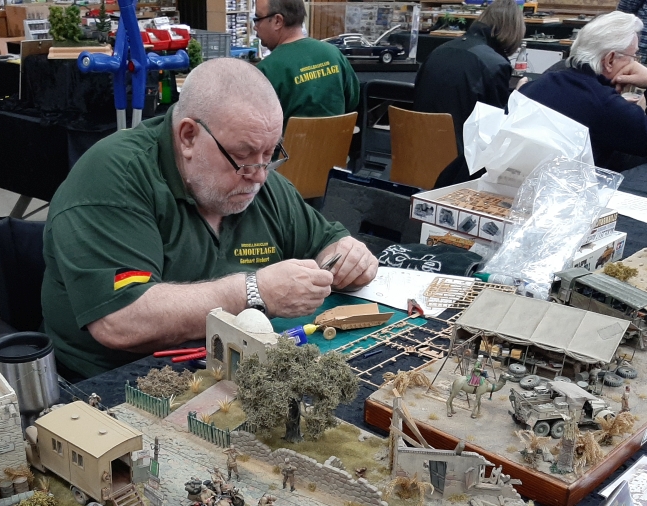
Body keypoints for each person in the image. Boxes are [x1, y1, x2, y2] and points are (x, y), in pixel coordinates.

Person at [40, 57, 378, 379]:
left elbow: (326, 242)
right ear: (188, 136)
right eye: (243, 155)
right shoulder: (113, 177)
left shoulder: (259, 181)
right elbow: (121, 319)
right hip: (117, 381)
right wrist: (254, 292)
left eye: (270, 153)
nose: (260, 175)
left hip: (235, 366)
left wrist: (348, 256)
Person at [520, 12, 647, 170]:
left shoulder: (535, 85)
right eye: (633, 56)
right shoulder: (604, 103)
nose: (635, 64)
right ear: (610, 60)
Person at [413, 0, 526, 155]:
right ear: (514, 31)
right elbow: (495, 130)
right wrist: (517, 99)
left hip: (417, 152)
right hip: (462, 160)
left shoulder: (439, 51)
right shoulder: (495, 64)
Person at [253, 0, 359, 129]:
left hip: (289, 142)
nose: (255, 27)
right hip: (336, 141)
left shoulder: (265, 71)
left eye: (258, 19)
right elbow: (353, 101)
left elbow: (257, 128)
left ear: (278, 21)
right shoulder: (334, 54)